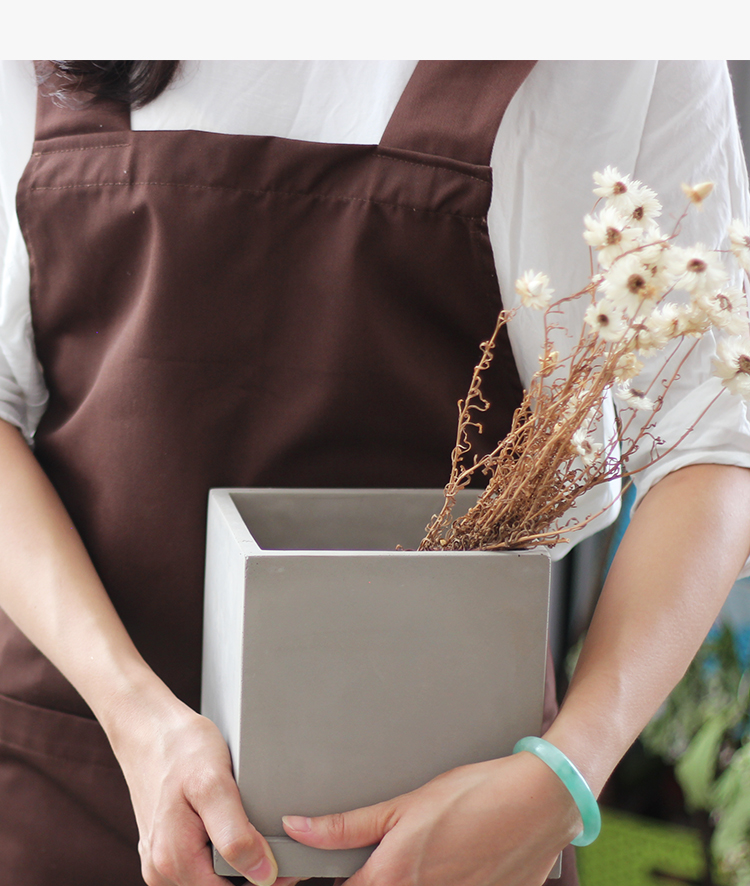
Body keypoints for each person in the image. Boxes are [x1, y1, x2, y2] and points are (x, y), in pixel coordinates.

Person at [1, 60, 750, 886]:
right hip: (76, 771)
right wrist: (133, 714)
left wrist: (561, 777)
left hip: (453, 826)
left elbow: (714, 447)